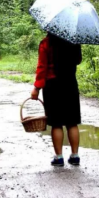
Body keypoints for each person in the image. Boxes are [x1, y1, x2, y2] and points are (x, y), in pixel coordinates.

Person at [31, 33, 83, 167]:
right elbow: (78, 60)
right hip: (70, 83)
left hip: (52, 85)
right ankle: (75, 156)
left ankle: (59, 157)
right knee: (72, 122)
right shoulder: (74, 40)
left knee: (56, 123)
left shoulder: (46, 43)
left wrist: (37, 88)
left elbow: (42, 67)